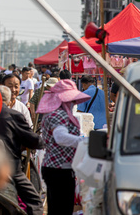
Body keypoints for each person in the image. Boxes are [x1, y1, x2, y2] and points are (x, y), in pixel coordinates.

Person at [0, 86, 44, 215]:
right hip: (9, 168)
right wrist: (42, 141)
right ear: (9, 102)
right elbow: (32, 140)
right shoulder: (14, 115)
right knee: (35, 201)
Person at [37, 79, 90, 215]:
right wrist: (84, 141)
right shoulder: (58, 114)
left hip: (58, 168)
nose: (73, 103)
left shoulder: (58, 114)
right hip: (58, 169)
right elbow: (60, 137)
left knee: (59, 208)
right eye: (71, 100)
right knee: (61, 209)